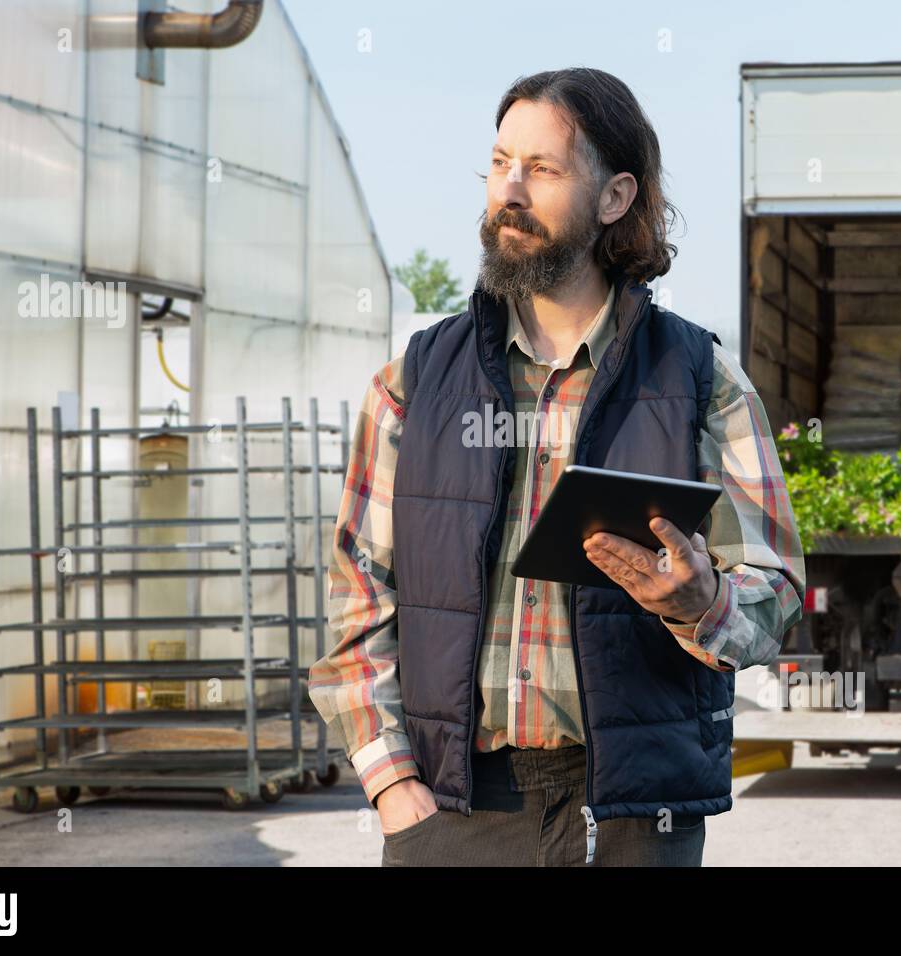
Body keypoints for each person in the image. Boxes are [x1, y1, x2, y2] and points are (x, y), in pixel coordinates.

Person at [309, 67, 805, 867]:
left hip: (636, 817)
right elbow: (356, 595)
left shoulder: (701, 378)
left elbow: (775, 590)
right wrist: (394, 788)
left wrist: (703, 600)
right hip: (453, 810)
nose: (509, 188)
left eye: (541, 170)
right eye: (500, 163)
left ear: (614, 198)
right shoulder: (412, 383)